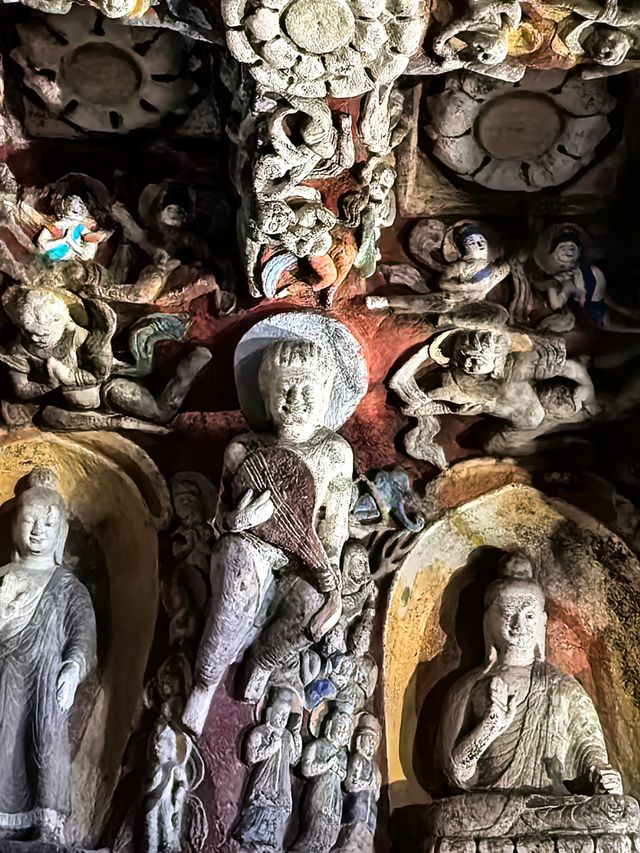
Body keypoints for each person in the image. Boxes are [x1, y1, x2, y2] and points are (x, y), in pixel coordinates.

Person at [182, 338, 354, 734]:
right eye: (284, 390)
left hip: (303, 553)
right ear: (265, 395)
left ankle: (263, 662)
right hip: (252, 546)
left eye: (306, 389)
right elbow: (219, 520)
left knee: (315, 606)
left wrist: (326, 569)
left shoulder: (334, 453)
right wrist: (238, 520)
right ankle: (205, 683)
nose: (294, 400)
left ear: (326, 392)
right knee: (235, 592)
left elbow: (335, 523)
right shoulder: (244, 448)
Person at [0, 467, 97, 843]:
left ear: (61, 534)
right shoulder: (4, 575)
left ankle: (48, 823)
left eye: (49, 523)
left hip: (46, 681)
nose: (38, 531)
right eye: (30, 520)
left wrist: (72, 669)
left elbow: (83, 634)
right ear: (14, 526)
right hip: (4, 678)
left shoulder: (68, 587)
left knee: (44, 743)